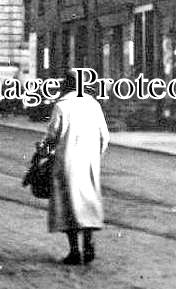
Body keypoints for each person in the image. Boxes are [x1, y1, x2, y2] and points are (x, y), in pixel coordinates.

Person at [44, 69, 110, 265]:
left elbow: (52, 135)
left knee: (68, 205)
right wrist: (96, 156)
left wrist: (45, 149)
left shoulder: (62, 106)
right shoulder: (94, 105)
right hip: (89, 163)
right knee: (87, 203)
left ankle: (74, 251)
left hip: (67, 162)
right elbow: (104, 137)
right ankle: (88, 245)